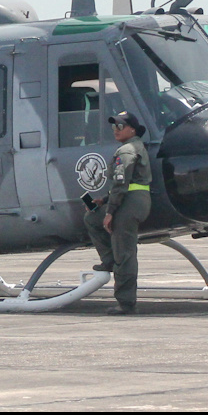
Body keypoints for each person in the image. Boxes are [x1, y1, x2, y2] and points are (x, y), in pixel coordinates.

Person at [82, 111, 152, 315]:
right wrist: (103, 201)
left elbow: (121, 184)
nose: (116, 130)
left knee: (125, 252)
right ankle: (109, 260)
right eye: (114, 126)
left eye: (120, 126)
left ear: (132, 129)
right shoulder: (134, 147)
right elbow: (122, 186)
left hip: (130, 204)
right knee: (92, 217)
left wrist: (110, 211)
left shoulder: (126, 151)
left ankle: (126, 302)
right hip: (130, 199)